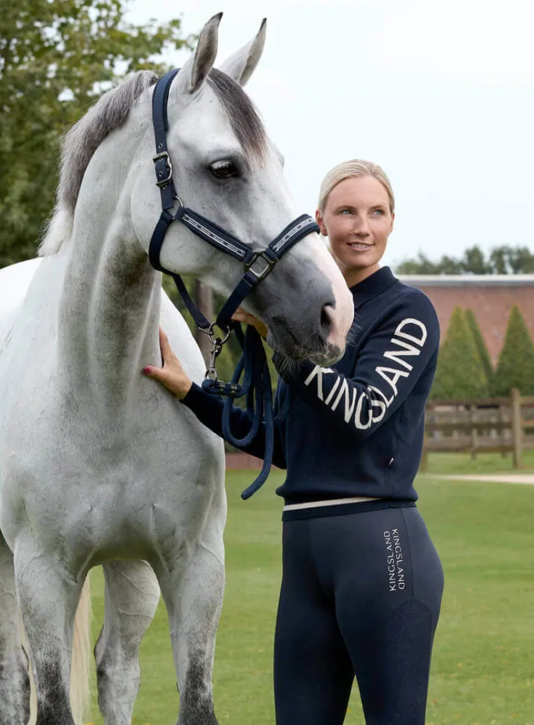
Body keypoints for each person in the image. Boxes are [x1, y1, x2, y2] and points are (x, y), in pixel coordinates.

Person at [143, 159, 444, 725]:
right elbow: (285, 447)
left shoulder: (408, 311)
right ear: (318, 222)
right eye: (347, 211)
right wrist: (191, 393)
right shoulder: (308, 317)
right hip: (304, 551)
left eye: (376, 213)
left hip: (380, 548)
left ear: (392, 223)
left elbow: (363, 410)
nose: (362, 226)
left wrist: (286, 349)